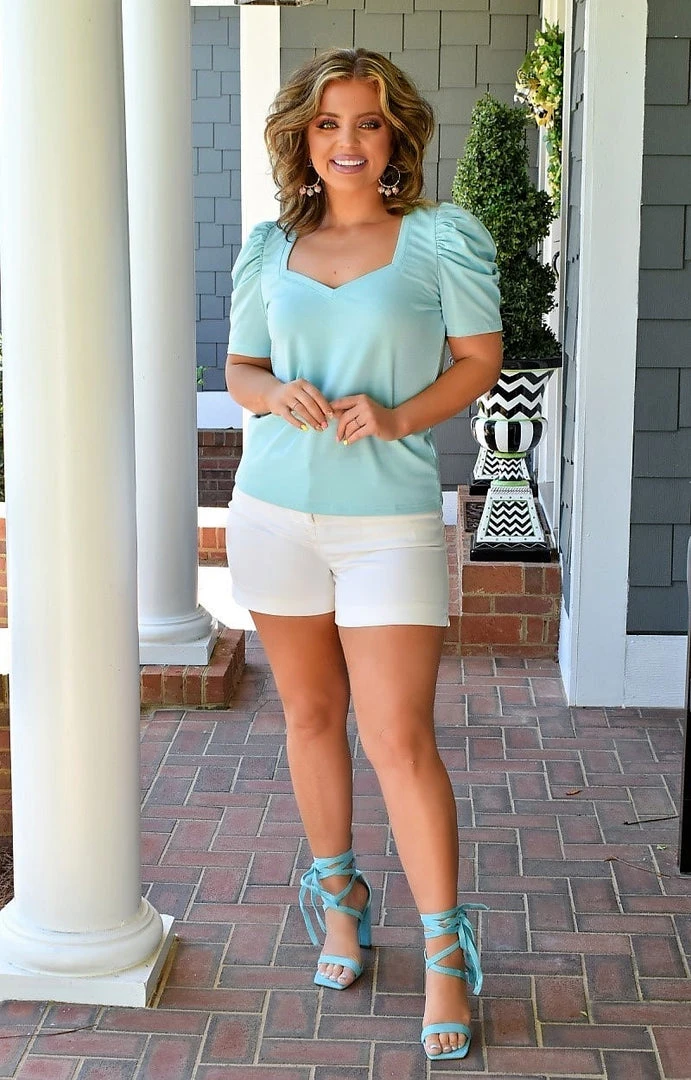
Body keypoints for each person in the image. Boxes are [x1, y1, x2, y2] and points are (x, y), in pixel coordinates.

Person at [224, 48, 503, 1061]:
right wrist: (273, 393)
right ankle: (340, 908)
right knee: (309, 716)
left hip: (386, 523)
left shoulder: (438, 238)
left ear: (396, 136)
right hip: (271, 512)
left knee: (398, 738)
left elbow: (478, 360)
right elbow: (241, 366)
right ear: (302, 138)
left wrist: (394, 417)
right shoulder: (269, 247)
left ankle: (445, 955)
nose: (348, 141)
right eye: (328, 123)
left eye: (368, 122)